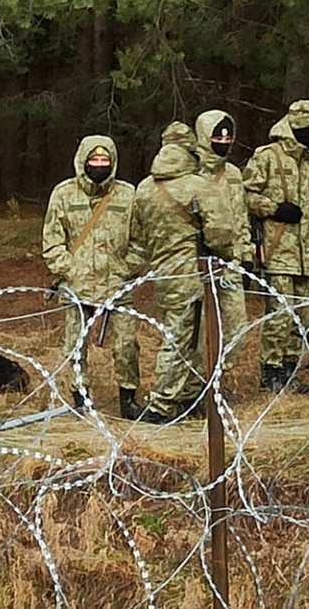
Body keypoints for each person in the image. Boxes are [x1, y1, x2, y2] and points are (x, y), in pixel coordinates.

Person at [131, 122, 236, 423]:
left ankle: (189, 395)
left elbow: (137, 234)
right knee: (182, 338)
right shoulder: (200, 186)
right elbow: (220, 235)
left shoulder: (144, 188)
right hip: (194, 271)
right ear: (191, 149)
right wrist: (225, 257)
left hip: (163, 271)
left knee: (187, 335)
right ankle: (161, 404)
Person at [42, 135, 146, 419]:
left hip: (117, 284)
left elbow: (140, 240)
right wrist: (71, 270)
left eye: (104, 160)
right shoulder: (63, 194)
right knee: (75, 346)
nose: (99, 165)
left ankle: (128, 398)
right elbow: (52, 242)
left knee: (126, 345)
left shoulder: (128, 194)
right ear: (82, 161)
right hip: (77, 286)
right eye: (94, 160)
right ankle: (80, 397)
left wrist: (125, 269)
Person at [244, 100, 309, 392]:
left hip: (307, 253)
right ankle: (271, 372)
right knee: (280, 317)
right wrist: (274, 209)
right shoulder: (268, 157)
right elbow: (246, 195)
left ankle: (289, 369)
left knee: (302, 315)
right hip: (278, 250)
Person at [193, 110, 254, 376]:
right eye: (217, 137)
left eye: (228, 138)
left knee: (237, 325)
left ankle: (220, 375)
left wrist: (246, 255)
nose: (223, 142)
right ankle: (200, 381)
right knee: (198, 330)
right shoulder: (191, 172)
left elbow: (241, 217)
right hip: (197, 263)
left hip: (231, 262)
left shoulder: (233, 173)